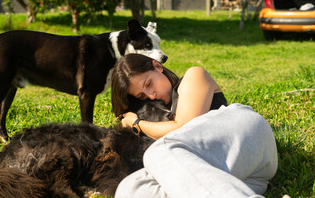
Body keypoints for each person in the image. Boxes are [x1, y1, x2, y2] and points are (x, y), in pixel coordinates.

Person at [111, 54, 278, 198]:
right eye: (142, 95)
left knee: (159, 151)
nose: (151, 95)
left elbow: (181, 127)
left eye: (148, 84)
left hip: (246, 134)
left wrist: (137, 124)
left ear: (158, 66)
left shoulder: (193, 77)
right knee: (130, 189)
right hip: (237, 174)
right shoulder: (157, 114)